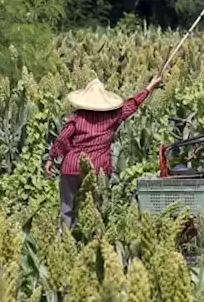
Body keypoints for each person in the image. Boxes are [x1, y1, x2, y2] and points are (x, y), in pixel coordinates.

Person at [46, 76, 162, 227]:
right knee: (97, 209)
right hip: (97, 169)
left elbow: (62, 139)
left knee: (67, 209)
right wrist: (150, 87)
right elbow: (132, 104)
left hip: (71, 167)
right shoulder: (112, 117)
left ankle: (64, 241)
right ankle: (96, 240)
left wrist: (52, 158)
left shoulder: (76, 117)